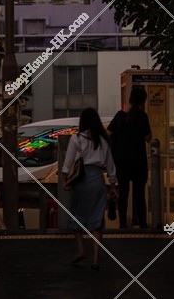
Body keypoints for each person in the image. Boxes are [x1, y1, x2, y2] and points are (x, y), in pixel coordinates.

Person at [62, 107, 116, 269]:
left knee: (77, 214)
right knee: (96, 219)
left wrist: (65, 181)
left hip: (81, 181)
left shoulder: (76, 139)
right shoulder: (103, 140)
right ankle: (95, 259)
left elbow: (68, 163)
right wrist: (113, 185)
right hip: (98, 180)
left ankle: (80, 251)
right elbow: (110, 165)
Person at [108, 85, 152, 229]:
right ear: (143, 101)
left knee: (123, 193)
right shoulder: (142, 117)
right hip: (138, 161)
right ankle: (143, 223)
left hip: (121, 161)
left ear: (130, 99)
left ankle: (122, 223)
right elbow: (149, 138)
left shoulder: (120, 116)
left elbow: (108, 133)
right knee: (139, 194)